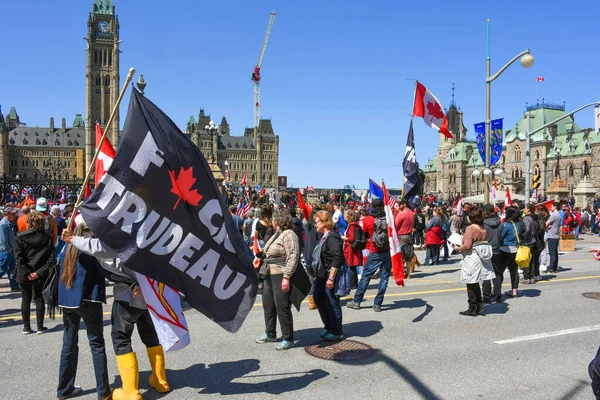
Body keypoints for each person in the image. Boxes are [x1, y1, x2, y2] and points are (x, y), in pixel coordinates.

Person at [62, 227, 170, 399]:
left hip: (127, 296)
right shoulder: (149, 235)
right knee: (150, 336)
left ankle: (131, 391)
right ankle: (160, 381)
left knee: (121, 339)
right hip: (148, 296)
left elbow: (101, 250)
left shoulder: (123, 238)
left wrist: (73, 239)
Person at [57, 215, 111, 400]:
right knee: (97, 345)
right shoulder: (89, 247)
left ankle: (64, 389)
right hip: (88, 300)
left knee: (69, 344)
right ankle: (103, 392)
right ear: (89, 230)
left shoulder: (66, 246)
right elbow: (108, 271)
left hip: (68, 300)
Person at [255, 211, 300, 350]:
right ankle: (270, 333)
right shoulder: (277, 234)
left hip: (281, 274)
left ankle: (288, 338)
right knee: (268, 305)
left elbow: (293, 256)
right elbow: (271, 252)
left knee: (282, 307)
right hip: (269, 273)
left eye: (273, 220)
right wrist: (262, 254)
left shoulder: (289, 234)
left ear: (278, 221)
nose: (272, 222)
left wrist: (286, 276)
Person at [347, 198, 391, 312]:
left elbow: (364, 233)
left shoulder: (368, 219)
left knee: (366, 276)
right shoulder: (389, 218)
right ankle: (378, 304)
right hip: (387, 250)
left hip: (374, 250)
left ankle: (357, 301)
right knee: (384, 278)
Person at [15, 211, 54, 334]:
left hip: (24, 271)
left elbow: (18, 258)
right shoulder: (47, 238)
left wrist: (27, 272)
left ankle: (26, 327)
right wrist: (38, 273)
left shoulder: (20, 237)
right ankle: (39, 326)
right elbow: (51, 259)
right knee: (39, 298)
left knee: (25, 299)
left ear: (28, 223)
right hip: (40, 272)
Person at [453, 206, 495, 316]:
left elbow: (467, 245)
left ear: (471, 216)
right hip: (480, 257)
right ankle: (479, 304)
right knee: (475, 281)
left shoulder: (470, 228)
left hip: (472, 257)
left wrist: (458, 248)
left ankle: (472, 307)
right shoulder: (483, 228)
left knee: (470, 282)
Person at [312, 210, 344, 340]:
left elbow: (337, 257)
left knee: (331, 302)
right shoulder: (323, 236)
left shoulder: (332, 237)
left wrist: (331, 277)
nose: (315, 225)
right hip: (321, 275)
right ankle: (328, 325)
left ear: (324, 223)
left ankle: (336, 330)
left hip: (330, 275)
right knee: (318, 298)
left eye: (317, 222)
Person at [499, 206, 523, 298]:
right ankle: (514, 291)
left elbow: (501, 236)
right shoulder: (520, 224)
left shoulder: (506, 224)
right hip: (516, 249)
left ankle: (496, 290)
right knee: (514, 271)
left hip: (505, 249)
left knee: (500, 271)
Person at [482, 204, 502, 304]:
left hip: (486, 249)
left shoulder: (483, 224)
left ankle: (486, 296)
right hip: (497, 249)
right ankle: (498, 295)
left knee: (486, 273)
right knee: (497, 273)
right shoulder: (499, 222)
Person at [0, 207, 20, 291]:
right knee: (2, 269)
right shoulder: (3, 224)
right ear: (7, 214)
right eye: (12, 214)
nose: (14, 215)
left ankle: (14, 286)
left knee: (12, 269)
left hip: (10, 250)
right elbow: (4, 239)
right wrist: (8, 250)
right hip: (6, 251)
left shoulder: (9, 223)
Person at [341, 209, 363, 288]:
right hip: (352, 248)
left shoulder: (351, 226)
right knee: (352, 267)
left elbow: (351, 238)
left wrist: (343, 238)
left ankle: (352, 284)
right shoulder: (353, 225)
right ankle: (354, 283)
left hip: (350, 249)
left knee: (350, 266)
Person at [521, 204, 542, 284]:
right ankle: (532, 276)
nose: (524, 210)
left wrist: (522, 238)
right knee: (532, 259)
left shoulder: (527, 218)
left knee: (526, 260)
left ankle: (526, 277)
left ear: (528, 209)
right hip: (534, 240)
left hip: (528, 241)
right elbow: (540, 229)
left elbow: (526, 230)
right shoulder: (536, 217)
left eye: (525, 208)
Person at [395, 198, 415, 277]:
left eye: (400, 204)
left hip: (402, 236)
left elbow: (395, 224)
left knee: (401, 255)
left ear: (404, 204)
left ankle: (401, 272)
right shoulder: (411, 213)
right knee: (409, 255)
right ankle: (408, 272)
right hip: (409, 235)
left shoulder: (401, 214)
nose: (399, 206)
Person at [546, 202, 562, 273]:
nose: (550, 208)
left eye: (552, 206)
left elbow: (546, 223)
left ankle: (551, 267)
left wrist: (547, 226)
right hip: (556, 235)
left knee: (552, 252)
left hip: (552, 235)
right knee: (555, 252)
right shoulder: (559, 215)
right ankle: (554, 267)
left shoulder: (554, 215)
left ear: (555, 207)